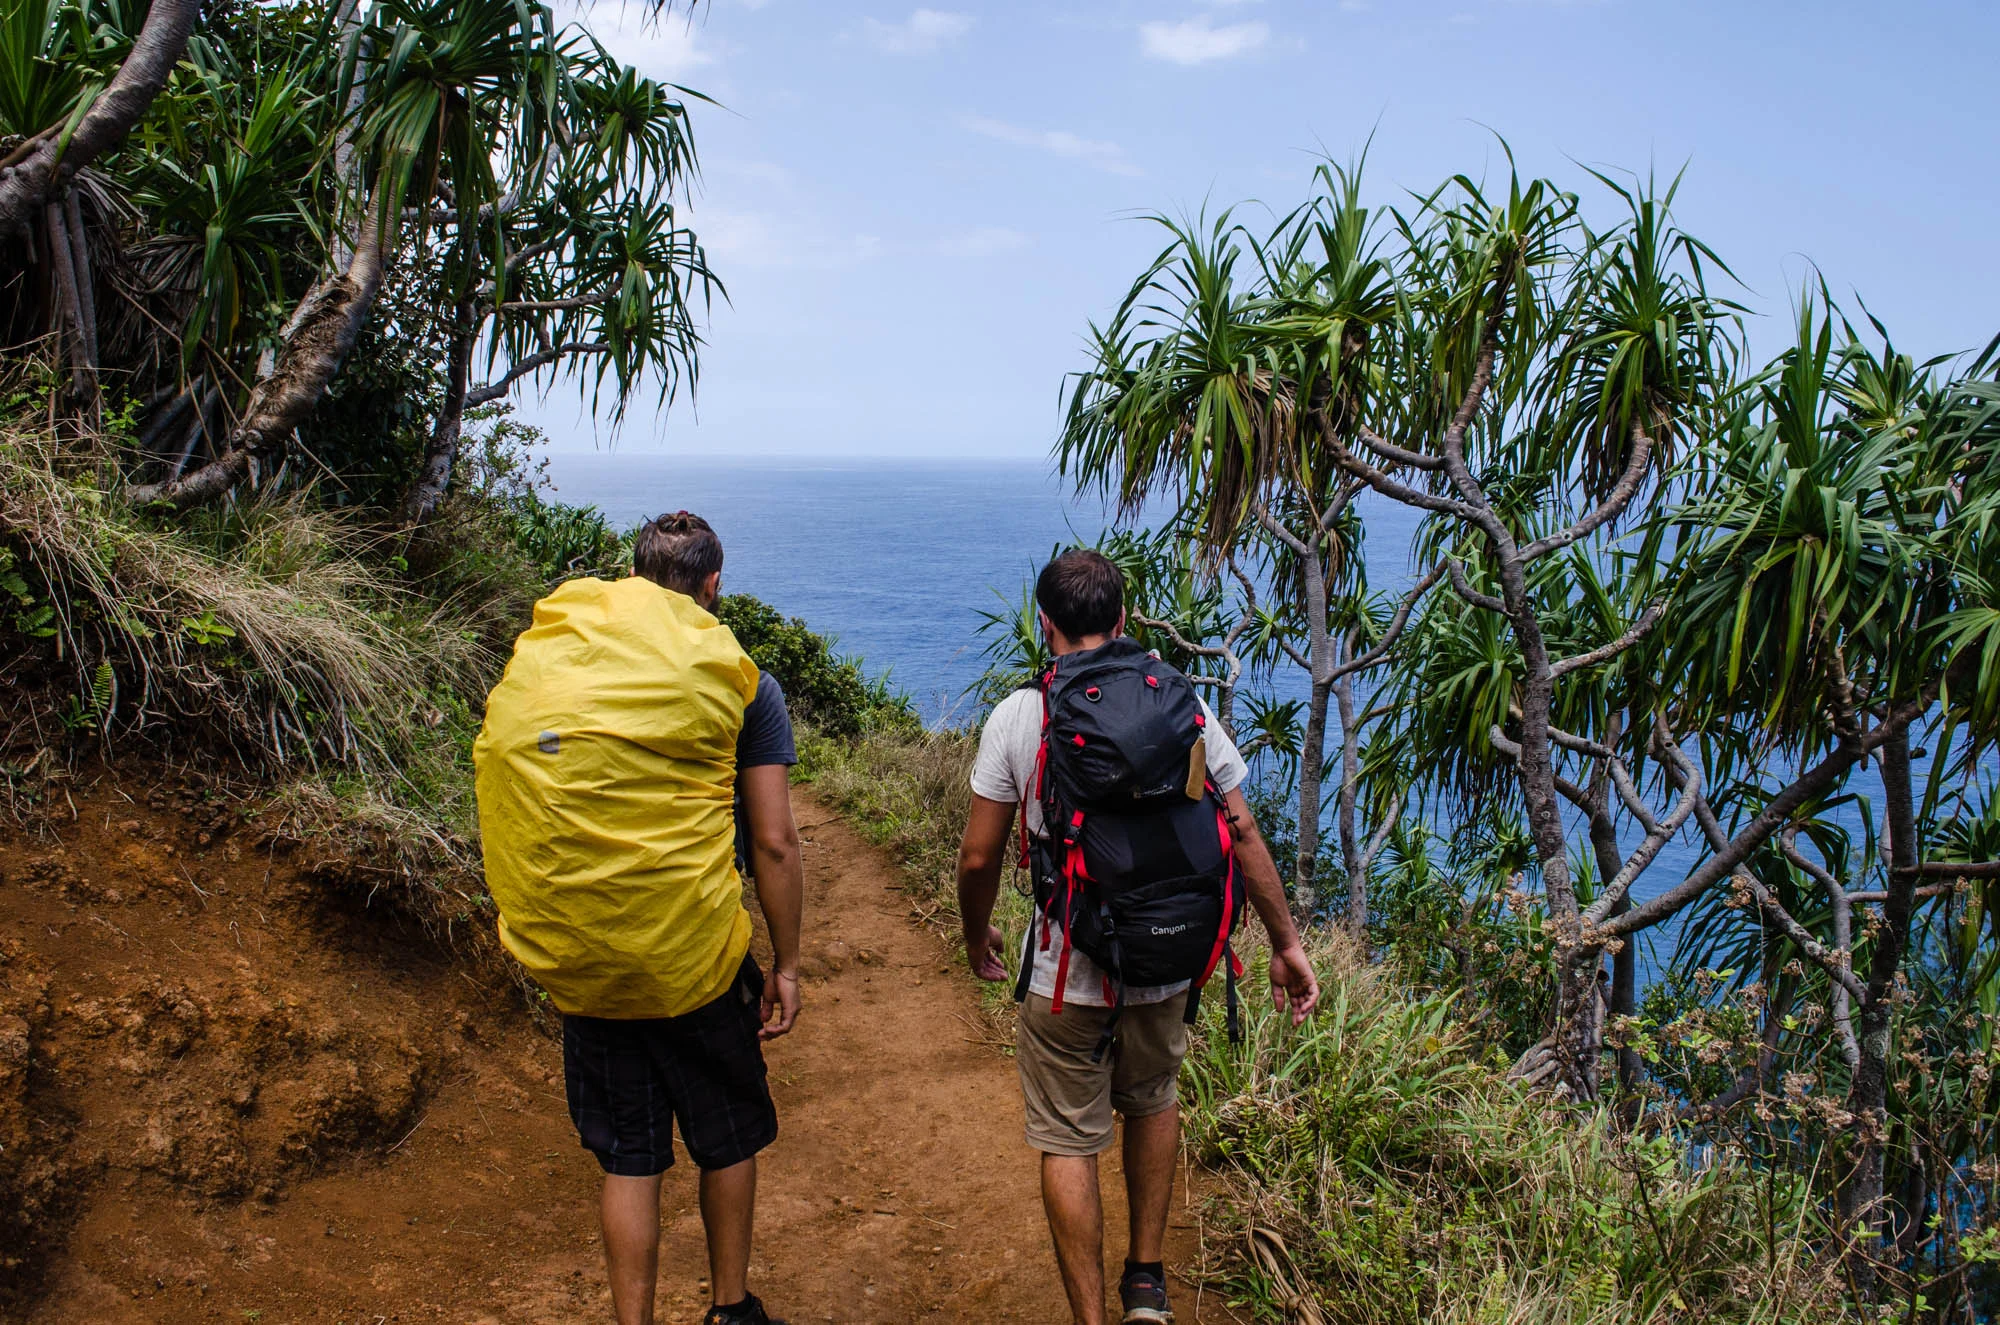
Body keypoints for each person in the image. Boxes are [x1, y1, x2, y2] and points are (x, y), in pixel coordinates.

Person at [954, 549, 1319, 1325]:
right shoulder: (1180, 702)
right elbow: (1242, 827)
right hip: (1170, 956)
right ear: (1123, 621)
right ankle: (1146, 1286)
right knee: (1153, 1099)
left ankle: (1091, 1316)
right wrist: (1286, 943)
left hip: (1066, 969)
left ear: (1044, 624)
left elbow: (980, 853)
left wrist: (975, 930)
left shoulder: (1022, 715)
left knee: (1067, 1139)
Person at [474, 511, 802, 1325]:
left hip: (589, 961)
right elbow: (774, 840)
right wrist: (787, 963)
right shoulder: (742, 681)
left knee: (628, 1156)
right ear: (712, 585)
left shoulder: (566, 663)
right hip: (694, 958)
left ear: (634, 575)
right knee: (725, 1136)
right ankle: (731, 1309)